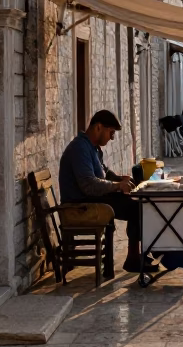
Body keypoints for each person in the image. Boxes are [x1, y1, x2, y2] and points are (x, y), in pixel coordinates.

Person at [58, 109, 139, 280]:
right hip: (81, 205)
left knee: (135, 201)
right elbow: (89, 185)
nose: (112, 138)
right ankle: (134, 258)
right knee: (135, 208)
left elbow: (103, 172)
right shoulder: (79, 148)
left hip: (92, 199)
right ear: (99, 127)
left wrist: (120, 179)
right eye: (111, 132)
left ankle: (137, 255)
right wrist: (117, 186)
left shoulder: (92, 148)